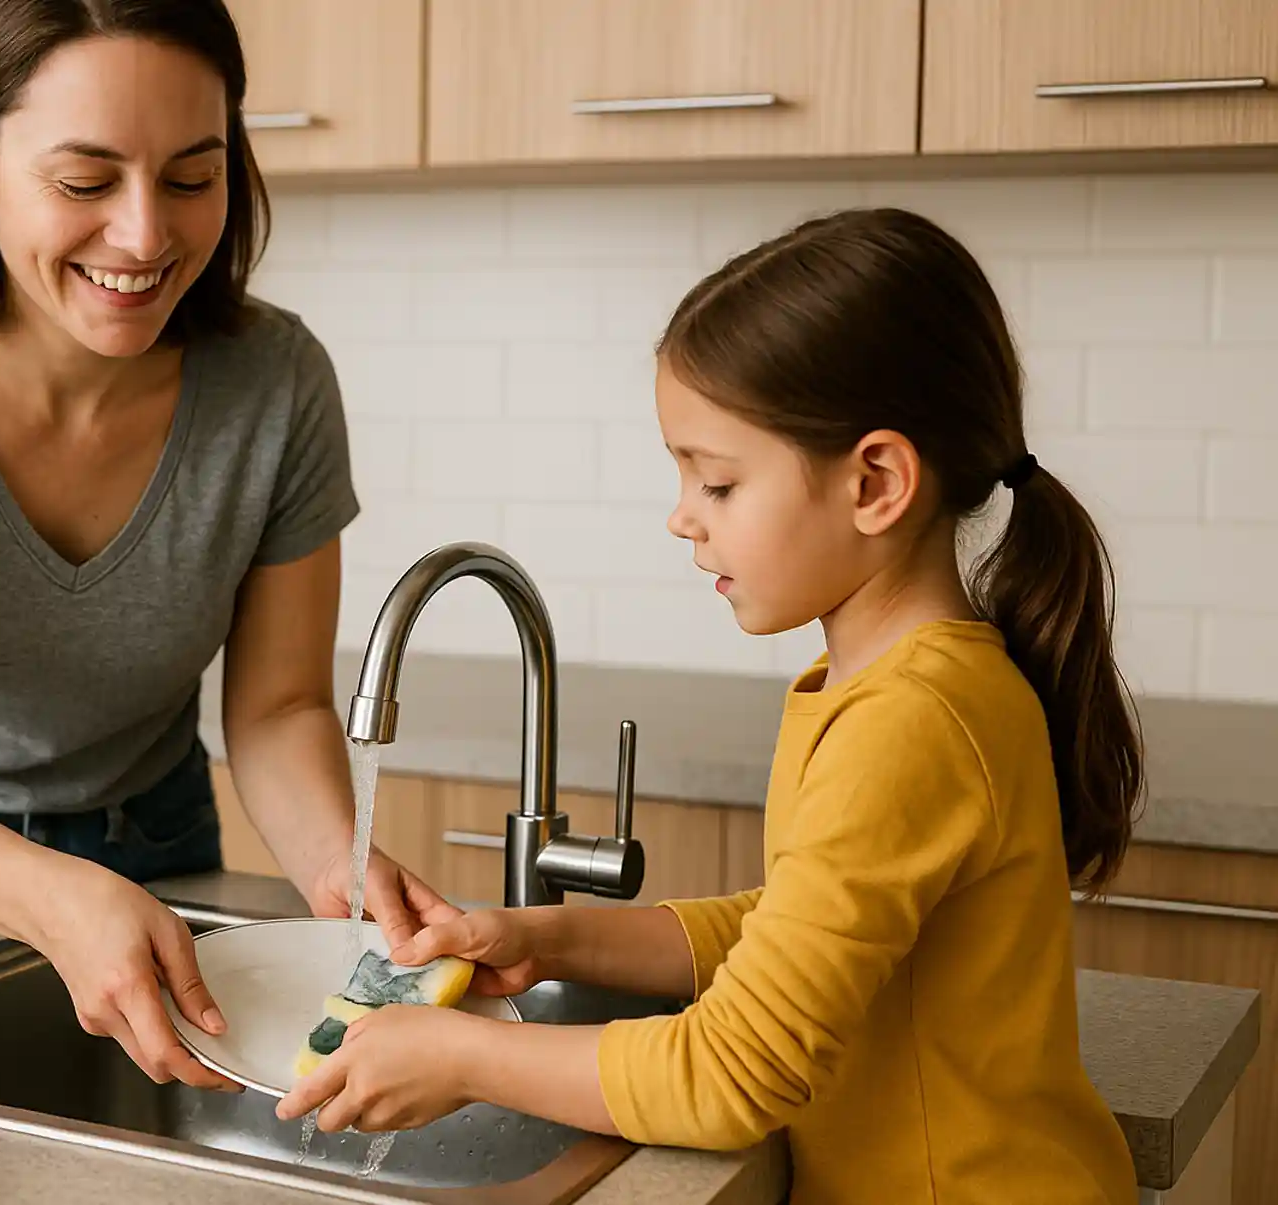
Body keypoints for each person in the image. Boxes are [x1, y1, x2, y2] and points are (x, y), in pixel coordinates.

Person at [276, 207, 1143, 1205]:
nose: (681, 513)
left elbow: (734, 1072)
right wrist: (538, 937)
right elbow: (790, 925)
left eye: (716, 480)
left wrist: (463, 1056)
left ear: (875, 482)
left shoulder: (911, 720)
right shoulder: (895, 687)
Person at [0, 0, 455, 1094]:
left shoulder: (276, 383)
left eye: (192, 176)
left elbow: (276, 708)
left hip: (146, 849)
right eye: (84, 182)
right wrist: (62, 893)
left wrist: (338, 870)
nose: (145, 235)